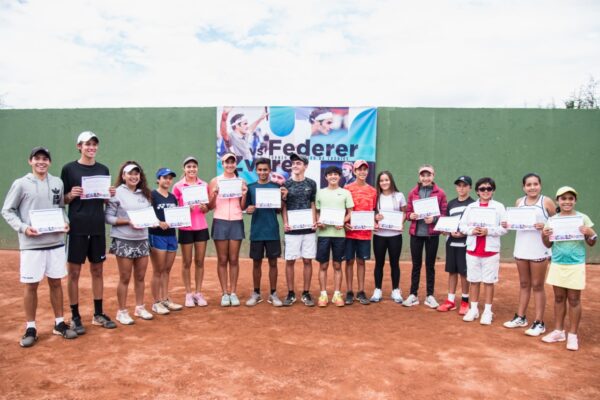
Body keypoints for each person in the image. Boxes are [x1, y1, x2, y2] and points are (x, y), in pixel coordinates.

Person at [2, 147, 78, 347]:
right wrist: (24, 228)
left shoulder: (57, 182)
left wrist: (65, 220)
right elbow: (7, 210)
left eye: (45, 159)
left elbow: (59, 207)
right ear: (30, 161)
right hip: (31, 245)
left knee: (56, 283)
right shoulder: (21, 184)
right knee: (31, 285)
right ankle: (31, 327)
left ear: (49, 162)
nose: (41, 162)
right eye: (37, 159)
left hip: (55, 242)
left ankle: (60, 323)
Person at [61, 131, 117, 333]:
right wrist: (70, 195)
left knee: (98, 270)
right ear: (79, 146)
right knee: (74, 272)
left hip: (97, 227)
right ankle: (75, 316)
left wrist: (108, 195)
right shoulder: (69, 169)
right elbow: (62, 200)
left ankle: (98, 314)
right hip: (77, 227)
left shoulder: (103, 169)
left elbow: (102, 200)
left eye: (94, 144)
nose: (91, 147)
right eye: (87, 144)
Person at [541, 186, 596, 351]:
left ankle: (573, 335)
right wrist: (544, 235)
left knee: (574, 299)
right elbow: (547, 244)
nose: (567, 202)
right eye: (563, 199)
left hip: (576, 264)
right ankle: (559, 331)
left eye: (570, 199)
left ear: (575, 201)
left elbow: (592, 241)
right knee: (558, 298)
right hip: (557, 262)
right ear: (558, 201)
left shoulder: (582, 218)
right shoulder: (552, 220)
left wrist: (590, 232)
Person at [502, 173, 555, 336]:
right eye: (529, 185)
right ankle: (520, 317)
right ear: (523, 187)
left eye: (535, 184)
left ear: (540, 185)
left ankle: (539, 322)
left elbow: (557, 222)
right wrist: (507, 223)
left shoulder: (546, 202)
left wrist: (545, 225)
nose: (532, 187)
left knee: (538, 286)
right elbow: (516, 223)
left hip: (539, 248)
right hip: (522, 248)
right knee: (524, 284)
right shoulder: (519, 202)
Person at [105, 162, 154, 324]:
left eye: (136, 173)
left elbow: (149, 215)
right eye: (130, 174)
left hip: (142, 240)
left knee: (140, 276)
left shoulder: (145, 194)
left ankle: (139, 307)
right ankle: (122, 311)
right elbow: (108, 217)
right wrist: (128, 221)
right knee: (125, 277)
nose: (134, 176)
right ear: (124, 176)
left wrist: (153, 222)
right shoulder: (116, 193)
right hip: (123, 239)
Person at [459, 177, 507, 325]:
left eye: (489, 189)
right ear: (477, 191)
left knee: (488, 282)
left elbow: (504, 228)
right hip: (473, 250)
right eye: (482, 189)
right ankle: (473, 309)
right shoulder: (471, 207)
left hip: (490, 252)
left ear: (493, 191)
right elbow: (462, 226)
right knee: (474, 281)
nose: (485, 191)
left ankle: (487, 311)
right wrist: (472, 230)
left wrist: (489, 231)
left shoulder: (499, 207)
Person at [403, 164, 447, 308]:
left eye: (429, 175)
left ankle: (429, 296)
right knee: (416, 265)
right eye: (423, 175)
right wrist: (412, 215)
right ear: (419, 177)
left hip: (432, 235)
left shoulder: (440, 193)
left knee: (430, 265)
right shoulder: (413, 193)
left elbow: (444, 213)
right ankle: (413, 295)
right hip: (416, 234)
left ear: (433, 176)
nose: (426, 178)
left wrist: (434, 219)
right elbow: (408, 212)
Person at [208, 152, 248, 307]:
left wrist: (244, 195)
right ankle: (224, 293)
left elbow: (243, 206)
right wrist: (214, 194)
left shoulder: (241, 181)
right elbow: (210, 206)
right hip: (220, 221)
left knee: (234, 259)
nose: (230, 165)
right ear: (222, 164)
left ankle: (233, 292)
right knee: (222, 259)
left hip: (236, 221)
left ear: (235, 164)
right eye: (227, 162)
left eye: (232, 162)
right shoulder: (215, 181)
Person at [244, 158, 285, 307]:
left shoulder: (276, 187)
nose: (262, 172)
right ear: (256, 170)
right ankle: (256, 293)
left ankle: (273, 293)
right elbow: (247, 208)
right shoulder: (251, 187)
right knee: (256, 263)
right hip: (257, 231)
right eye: (260, 170)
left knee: (273, 263)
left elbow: (279, 210)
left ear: (270, 171)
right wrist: (249, 209)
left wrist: (283, 198)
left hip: (272, 231)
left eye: (265, 170)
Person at [172, 156, 210, 307]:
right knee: (187, 262)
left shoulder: (204, 185)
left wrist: (204, 208)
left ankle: (198, 293)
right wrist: (183, 209)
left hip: (201, 227)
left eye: (194, 166)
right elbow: (174, 208)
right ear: (184, 169)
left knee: (200, 262)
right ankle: (188, 294)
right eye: (189, 167)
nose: (192, 169)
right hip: (185, 228)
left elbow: (206, 208)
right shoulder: (178, 186)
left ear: (197, 168)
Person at [281, 153, 318, 307]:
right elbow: (283, 206)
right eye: (293, 163)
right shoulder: (285, 184)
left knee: (307, 260)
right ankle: (290, 293)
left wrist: (315, 220)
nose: (295, 165)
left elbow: (312, 204)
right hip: (292, 229)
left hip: (308, 229)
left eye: (298, 163)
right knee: (290, 261)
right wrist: (285, 223)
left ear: (305, 166)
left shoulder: (312, 184)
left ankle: (306, 293)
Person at [315, 166, 354, 307]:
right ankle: (323, 295)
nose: (333, 177)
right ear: (326, 177)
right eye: (330, 174)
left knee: (338, 265)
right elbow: (317, 212)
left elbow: (350, 212)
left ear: (340, 177)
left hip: (339, 235)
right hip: (324, 234)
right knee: (323, 265)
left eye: (336, 174)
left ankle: (337, 294)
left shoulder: (345, 193)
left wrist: (342, 222)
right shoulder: (320, 193)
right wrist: (319, 221)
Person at [437, 176, 475, 315]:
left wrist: (464, 234)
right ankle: (451, 301)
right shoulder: (451, 204)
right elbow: (445, 223)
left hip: (466, 244)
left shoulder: (473, 205)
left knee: (464, 273)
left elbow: (474, 226)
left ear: (470, 188)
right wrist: (445, 230)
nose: (461, 188)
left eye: (464, 185)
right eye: (459, 185)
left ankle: (465, 301)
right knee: (452, 271)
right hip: (451, 243)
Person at [149, 168, 183, 314]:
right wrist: (158, 222)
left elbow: (176, 215)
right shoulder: (152, 195)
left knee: (167, 270)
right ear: (158, 179)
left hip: (171, 235)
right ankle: (156, 302)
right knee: (158, 270)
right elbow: (147, 213)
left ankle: (165, 299)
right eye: (164, 178)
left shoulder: (172, 197)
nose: (168, 180)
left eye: (170, 178)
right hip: (157, 235)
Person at [344, 160, 377, 305]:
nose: (362, 172)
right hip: (350, 232)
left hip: (364, 233)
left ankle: (361, 291)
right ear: (354, 171)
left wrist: (374, 221)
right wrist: (345, 223)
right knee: (349, 261)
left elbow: (373, 210)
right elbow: (344, 209)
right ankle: (350, 291)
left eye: (365, 169)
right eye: (359, 169)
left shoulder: (373, 191)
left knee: (361, 261)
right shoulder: (347, 188)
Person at [371, 171, 407, 303]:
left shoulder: (399, 196)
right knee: (378, 263)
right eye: (381, 180)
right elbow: (372, 214)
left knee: (394, 263)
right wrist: (375, 217)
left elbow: (404, 213)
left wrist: (400, 224)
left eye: (386, 180)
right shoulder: (376, 196)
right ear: (379, 183)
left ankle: (396, 290)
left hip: (395, 235)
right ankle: (377, 290)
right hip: (379, 235)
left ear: (391, 181)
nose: (384, 182)